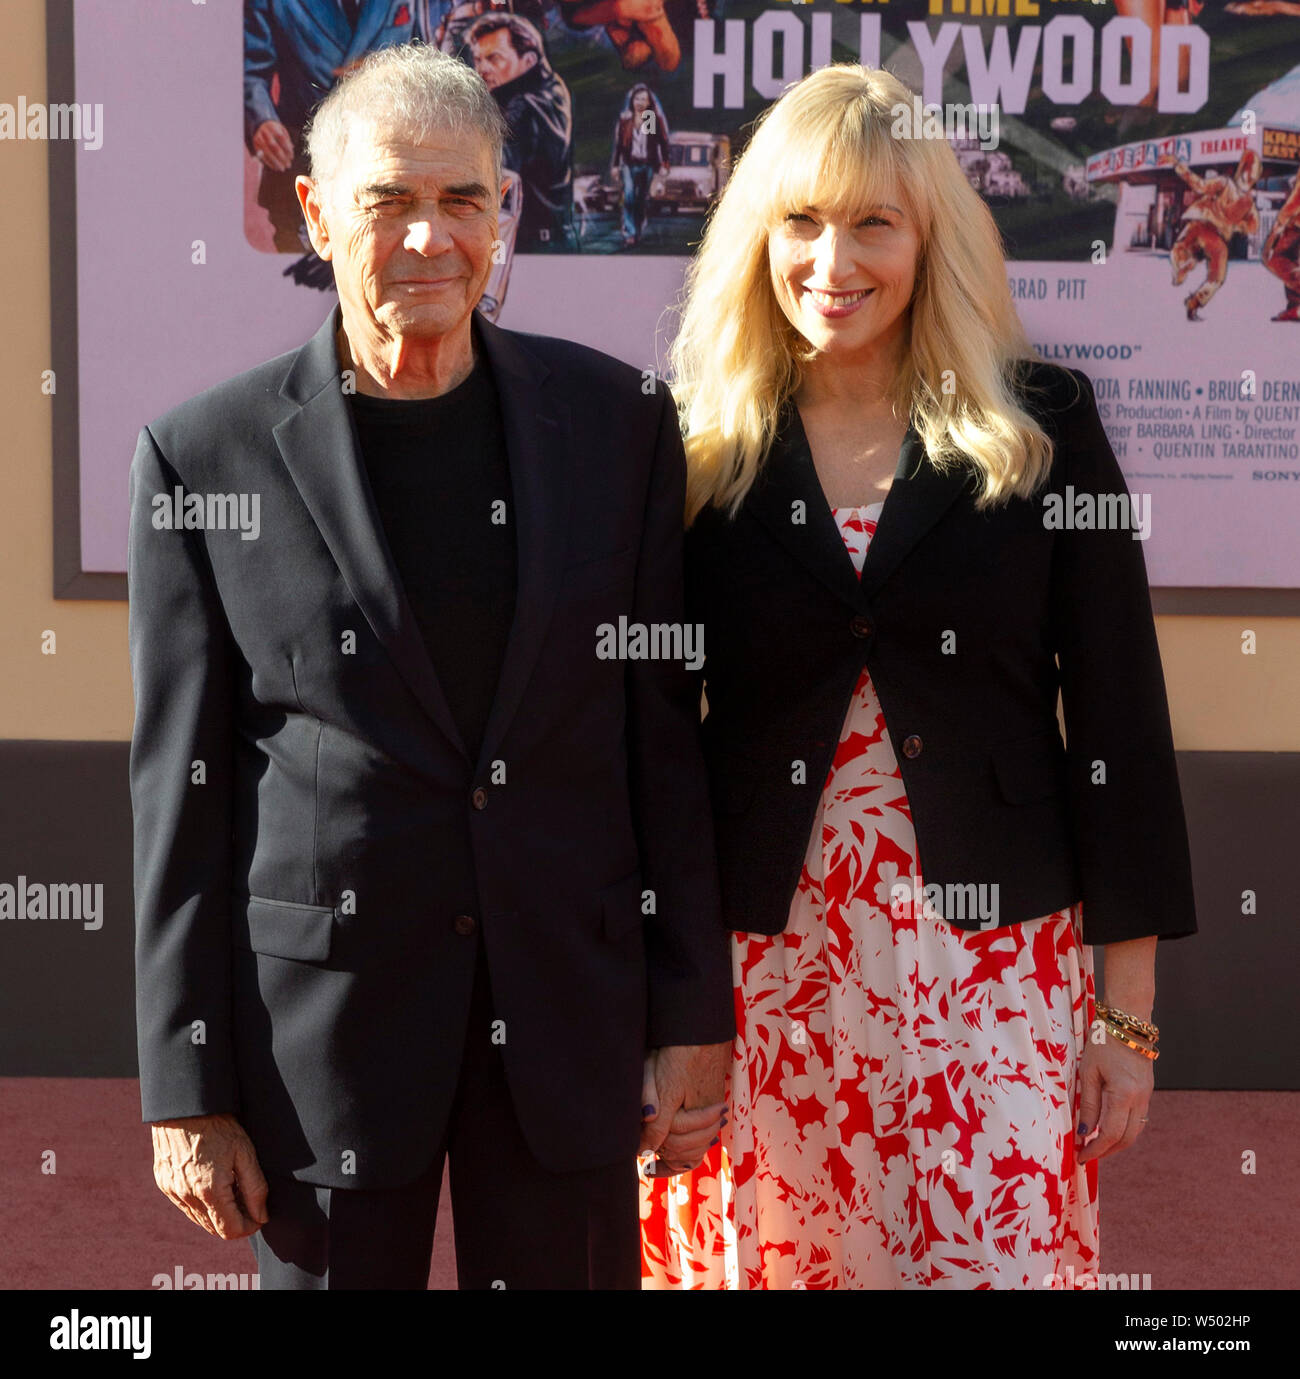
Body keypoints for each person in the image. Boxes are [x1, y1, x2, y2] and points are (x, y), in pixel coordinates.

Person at [130, 43, 732, 1291]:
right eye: (387, 200)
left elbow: (659, 745)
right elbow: (181, 793)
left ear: (502, 210)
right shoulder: (207, 457)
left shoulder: (616, 425)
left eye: (463, 200)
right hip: (325, 1040)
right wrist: (184, 1082)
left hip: (564, 1014)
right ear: (315, 211)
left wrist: (688, 1015)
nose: (429, 238)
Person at [639, 63, 1197, 1290]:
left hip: (991, 967)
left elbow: (1118, 719)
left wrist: (1126, 1018)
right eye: (799, 219)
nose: (831, 259)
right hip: (762, 969)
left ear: (928, 236)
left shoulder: (1042, 425)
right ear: (755, 234)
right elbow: (649, 741)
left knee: (980, 1256)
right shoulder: (693, 445)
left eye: (871, 222)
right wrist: (659, 995)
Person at [244, 0, 425, 251]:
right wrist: (261, 121)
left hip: (391, 170)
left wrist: (388, 71)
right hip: (302, 167)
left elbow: (426, 57)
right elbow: (249, 71)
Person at [467, 13, 576, 250]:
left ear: (528, 60)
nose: (482, 68)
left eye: (494, 58)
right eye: (478, 59)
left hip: (530, 244)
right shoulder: (549, 87)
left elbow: (490, 180)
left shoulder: (522, 107)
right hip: (547, 239)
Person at [1167, 149, 1261, 321]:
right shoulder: (1230, 188)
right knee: (1213, 272)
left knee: (1210, 269)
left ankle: (1184, 271)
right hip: (1207, 229)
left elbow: (1200, 185)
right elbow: (1252, 226)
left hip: (1202, 226)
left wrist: (1178, 165)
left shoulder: (1242, 198)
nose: (1248, 178)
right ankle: (1191, 293)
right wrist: (1238, 225)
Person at [611, 83, 670, 249]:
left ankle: (637, 228)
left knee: (641, 199)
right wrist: (615, 165)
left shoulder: (650, 118)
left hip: (647, 164)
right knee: (629, 196)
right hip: (628, 164)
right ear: (632, 100)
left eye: (644, 99)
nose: (640, 102)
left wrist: (664, 163)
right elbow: (619, 145)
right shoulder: (626, 119)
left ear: (649, 102)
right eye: (637, 98)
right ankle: (629, 232)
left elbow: (661, 142)